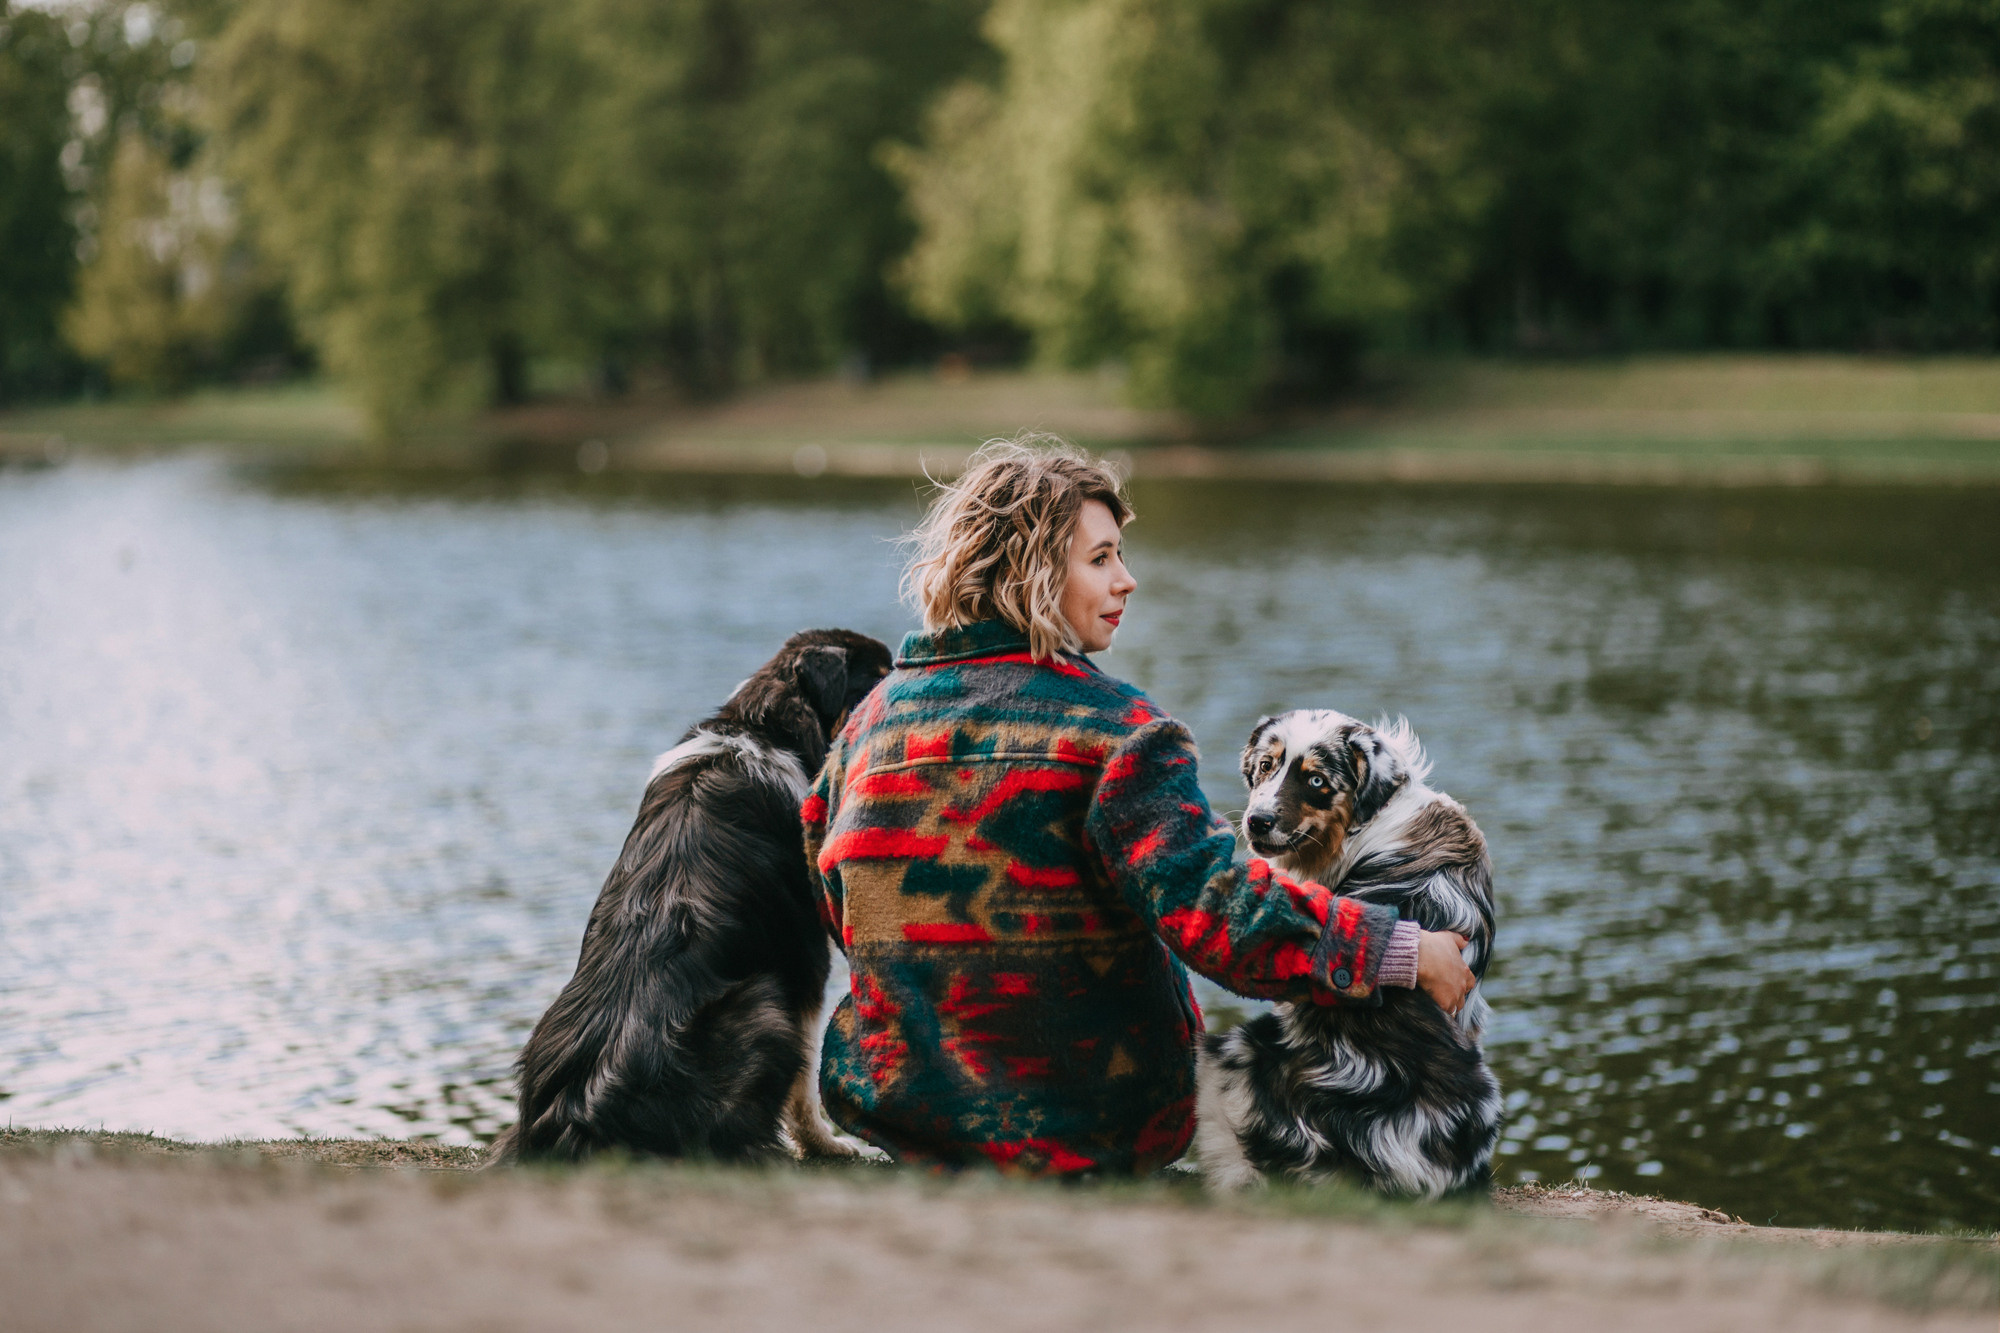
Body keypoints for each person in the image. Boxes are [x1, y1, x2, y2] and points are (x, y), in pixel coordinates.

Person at [801, 438, 1476, 1175]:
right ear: (1028, 570)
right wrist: (1400, 950)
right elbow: (1220, 911)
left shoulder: (867, 727)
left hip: (905, 1116)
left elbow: (836, 903)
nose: (1127, 580)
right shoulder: (1118, 733)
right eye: (1100, 559)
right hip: (1091, 1129)